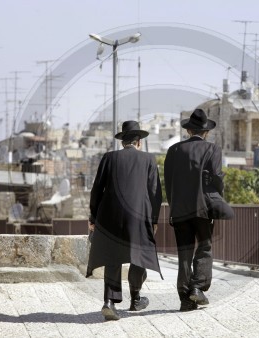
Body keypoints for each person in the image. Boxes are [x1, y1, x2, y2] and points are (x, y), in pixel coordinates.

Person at [86, 120, 163, 321]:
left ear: (123, 142)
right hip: (138, 216)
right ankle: (136, 298)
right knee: (139, 256)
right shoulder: (148, 159)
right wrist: (154, 220)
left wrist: (93, 217)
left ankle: (110, 302)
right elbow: (155, 193)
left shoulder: (109, 158)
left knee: (113, 256)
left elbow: (97, 190)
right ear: (139, 142)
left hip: (110, 215)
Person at [164, 108, 223, 312]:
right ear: (206, 132)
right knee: (204, 247)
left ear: (188, 131)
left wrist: (173, 208)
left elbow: (168, 184)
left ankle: (185, 298)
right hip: (203, 208)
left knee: (184, 253)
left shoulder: (174, 151)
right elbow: (217, 178)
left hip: (179, 210)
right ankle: (197, 287)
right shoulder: (212, 150)